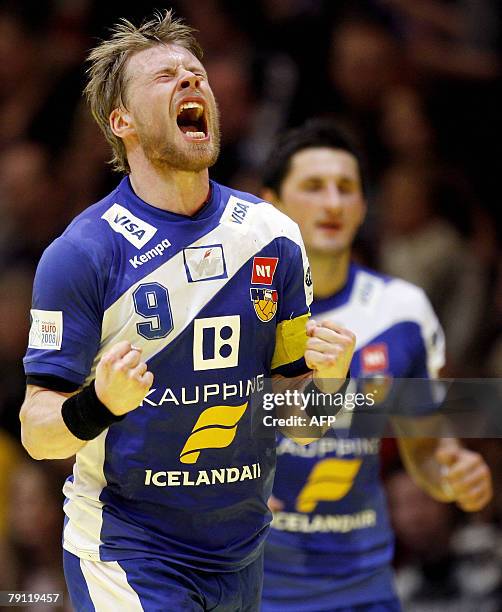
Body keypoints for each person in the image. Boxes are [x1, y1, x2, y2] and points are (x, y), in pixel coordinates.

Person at [20, 12, 354, 612]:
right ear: (121, 122)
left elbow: (299, 418)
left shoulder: (272, 236)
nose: (190, 83)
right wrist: (100, 402)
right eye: (165, 77)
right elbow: (37, 432)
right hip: (127, 549)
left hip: (242, 553)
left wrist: (330, 382)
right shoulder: (84, 253)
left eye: (196, 74)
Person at [260, 118, 492, 612]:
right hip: (258, 585)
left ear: (365, 205)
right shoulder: (237, 312)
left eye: (347, 188)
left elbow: (426, 451)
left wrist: (453, 472)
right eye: (314, 186)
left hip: (363, 586)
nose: (333, 203)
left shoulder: (402, 311)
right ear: (271, 202)